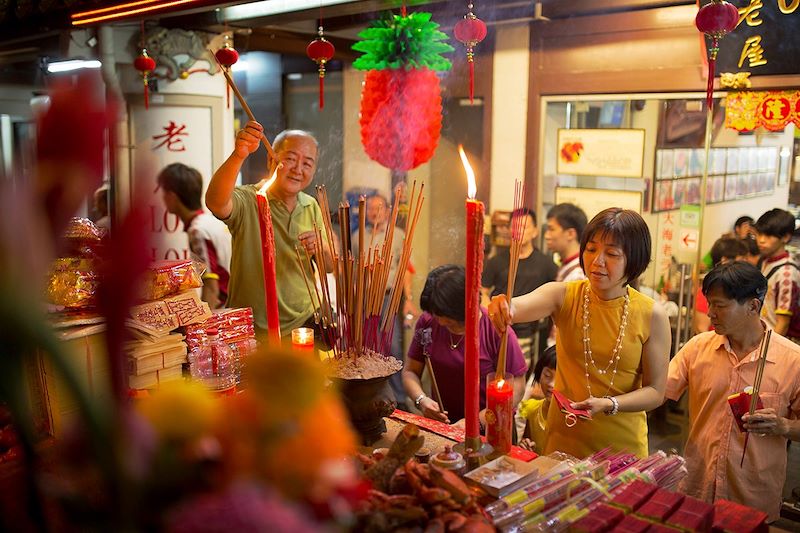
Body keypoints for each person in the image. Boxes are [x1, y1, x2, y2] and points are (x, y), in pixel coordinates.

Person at [489, 208, 671, 459]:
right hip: (564, 438)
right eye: (592, 249)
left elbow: (655, 392)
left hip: (621, 446)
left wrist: (609, 404)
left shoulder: (653, 315)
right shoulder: (563, 295)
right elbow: (518, 307)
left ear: (635, 260)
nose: (597, 261)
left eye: (612, 254)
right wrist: (504, 307)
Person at [666, 261, 800, 522]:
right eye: (709, 304)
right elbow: (658, 392)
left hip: (752, 496)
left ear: (752, 306)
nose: (710, 314)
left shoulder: (792, 360)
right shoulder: (698, 348)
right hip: (697, 488)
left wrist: (782, 426)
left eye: (720, 305)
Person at [206, 121, 333, 338]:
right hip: (253, 329)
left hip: (304, 323)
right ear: (271, 159)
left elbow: (329, 266)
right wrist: (239, 155)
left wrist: (320, 248)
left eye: (307, 163)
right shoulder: (249, 199)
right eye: (291, 159)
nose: (297, 169)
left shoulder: (311, 205)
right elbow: (216, 203)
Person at [404, 265, 527, 426]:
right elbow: (410, 371)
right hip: (444, 425)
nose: (439, 322)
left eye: (448, 320)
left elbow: (517, 388)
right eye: (437, 315)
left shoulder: (497, 331)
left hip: (490, 428)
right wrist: (421, 400)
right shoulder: (428, 322)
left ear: (466, 310)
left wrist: (475, 423)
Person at [352, 193, 419, 409]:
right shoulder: (357, 236)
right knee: (369, 346)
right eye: (370, 208)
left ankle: (399, 399)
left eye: (378, 208)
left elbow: (406, 269)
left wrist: (408, 300)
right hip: (364, 298)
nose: (374, 212)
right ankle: (375, 396)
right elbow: (353, 270)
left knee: (393, 346)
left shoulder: (398, 236)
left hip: (390, 297)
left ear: (388, 212)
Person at [482, 208, 557, 366]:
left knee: (518, 374)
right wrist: (493, 314)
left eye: (524, 227)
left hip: (528, 335)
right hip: (497, 331)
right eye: (515, 227)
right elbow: (482, 291)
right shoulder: (496, 261)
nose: (519, 231)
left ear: (535, 231)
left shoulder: (546, 264)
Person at [158, 163, 232, 309]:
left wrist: (202, 325)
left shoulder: (197, 231)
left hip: (224, 310)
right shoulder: (211, 222)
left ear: (172, 196)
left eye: (164, 192)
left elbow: (211, 288)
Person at [755, 208, 800, 339]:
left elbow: (783, 323)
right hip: (762, 335)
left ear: (785, 237)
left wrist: (767, 351)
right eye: (759, 234)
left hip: (776, 340)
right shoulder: (765, 260)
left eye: (768, 236)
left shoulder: (787, 273)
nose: (761, 240)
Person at [692, 236, 748, 334]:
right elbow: (701, 329)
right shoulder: (708, 291)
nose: (746, 265)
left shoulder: (740, 288)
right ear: (725, 260)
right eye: (742, 260)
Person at [518, 344, 556, 453]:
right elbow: (527, 442)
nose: (552, 384)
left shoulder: (574, 418)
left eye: (559, 378)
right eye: (547, 375)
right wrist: (525, 445)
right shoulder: (533, 410)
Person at [545, 203, 588, 283]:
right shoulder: (568, 265)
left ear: (570, 234)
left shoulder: (578, 274)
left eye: (551, 229)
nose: (546, 236)